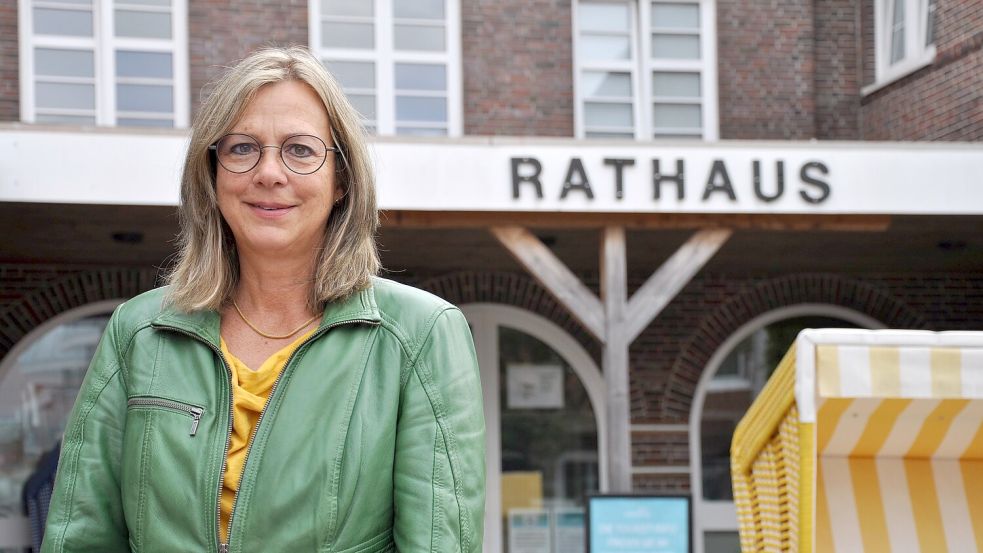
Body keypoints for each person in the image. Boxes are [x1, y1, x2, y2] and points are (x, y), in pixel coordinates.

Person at [41, 46, 485, 552]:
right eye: (241, 148)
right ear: (212, 175)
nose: (269, 173)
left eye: (300, 149)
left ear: (341, 179)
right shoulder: (140, 331)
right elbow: (81, 536)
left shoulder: (419, 335)